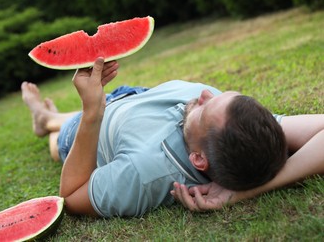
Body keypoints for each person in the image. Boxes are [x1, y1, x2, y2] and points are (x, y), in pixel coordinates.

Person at [22, 57, 324, 217]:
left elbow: (71, 196)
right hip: (135, 96)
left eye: (205, 108)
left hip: (93, 128)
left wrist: (91, 113)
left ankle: (46, 120)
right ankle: (51, 117)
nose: (205, 93)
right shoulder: (246, 130)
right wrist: (247, 190)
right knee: (90, 108)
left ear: (198, 159)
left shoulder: (145, 173)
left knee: (62, 130)